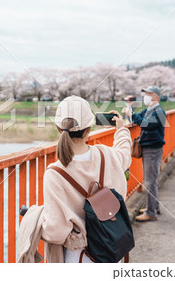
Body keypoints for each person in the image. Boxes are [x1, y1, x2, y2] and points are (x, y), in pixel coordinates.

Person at [41, 95, 132, 263]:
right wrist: (121, 130)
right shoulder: (106, 154)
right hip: (112, 247)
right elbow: (125, 154)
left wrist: (37, 222)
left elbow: (56, 231)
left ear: (58, 128)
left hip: (81, 257)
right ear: (90, 128)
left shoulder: (54, 173)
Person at [125, 86, 166, 223]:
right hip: (149, 148)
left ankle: (151, 212)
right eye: (145, 94)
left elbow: (145, 124)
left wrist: (131, 114)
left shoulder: (159, 111)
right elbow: (138, 119)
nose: (146, 97)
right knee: (150, 179)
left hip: (153, 149)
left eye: (149, 94)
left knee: (150, 181)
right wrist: (129, 110)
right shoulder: (150, 110)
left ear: (157, 97)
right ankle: (154, 206)